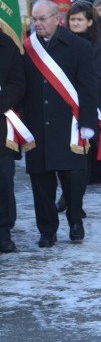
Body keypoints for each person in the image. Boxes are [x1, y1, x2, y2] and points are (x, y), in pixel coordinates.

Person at [21, 0, 97, 247]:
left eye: (42, 19)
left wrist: (87, 122)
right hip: (38, 124)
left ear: (57, 19)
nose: (38, 24)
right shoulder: (28, 48)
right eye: (34, 19)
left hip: (69, 125)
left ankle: (75, 220)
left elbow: (88, 88)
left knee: (73, 177)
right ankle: (47, 229)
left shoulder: (79, 47)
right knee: (41, 181)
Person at [56, 1, 101, 215]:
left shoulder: (97, 45)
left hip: (86, 107)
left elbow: (96, 78)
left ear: (89, 21)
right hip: (61, 106)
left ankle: (75, 200)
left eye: (79, 19)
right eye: (72, 19)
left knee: (82, 157)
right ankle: (66, 195)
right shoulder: (62, 43)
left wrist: (79, 99)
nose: (75, 23)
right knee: (61, 154)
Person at [0, 29, 26, 253]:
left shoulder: (7, 46)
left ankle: (3, 232)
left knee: (3, 179)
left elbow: (18, 85)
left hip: (1, 126)